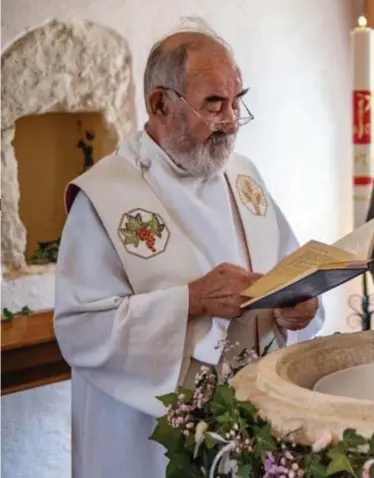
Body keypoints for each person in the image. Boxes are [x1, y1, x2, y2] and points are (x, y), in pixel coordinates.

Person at [54, 29, 324, 478]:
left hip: (248, 428)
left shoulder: (244, 177)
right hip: (145, 441)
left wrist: (303, 305)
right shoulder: (104, 196)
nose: (233, 119)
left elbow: (289, 269)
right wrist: (192, 299)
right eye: (215, 103)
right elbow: (81, 328)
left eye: (238, 100)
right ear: (160, 104)